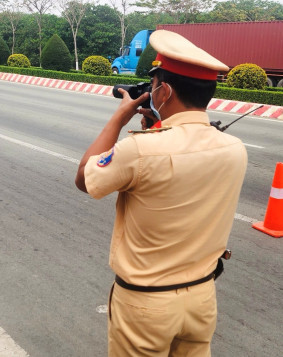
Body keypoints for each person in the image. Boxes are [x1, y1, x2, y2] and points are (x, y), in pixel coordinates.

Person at [75, 30, 248, 356]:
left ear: (164, 91)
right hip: (201, 300)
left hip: (146, 305)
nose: (150, 92)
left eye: (153, 86)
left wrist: (119, 117)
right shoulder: (234, 148)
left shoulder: (141, 150)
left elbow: (85, 178)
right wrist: (157, 130)